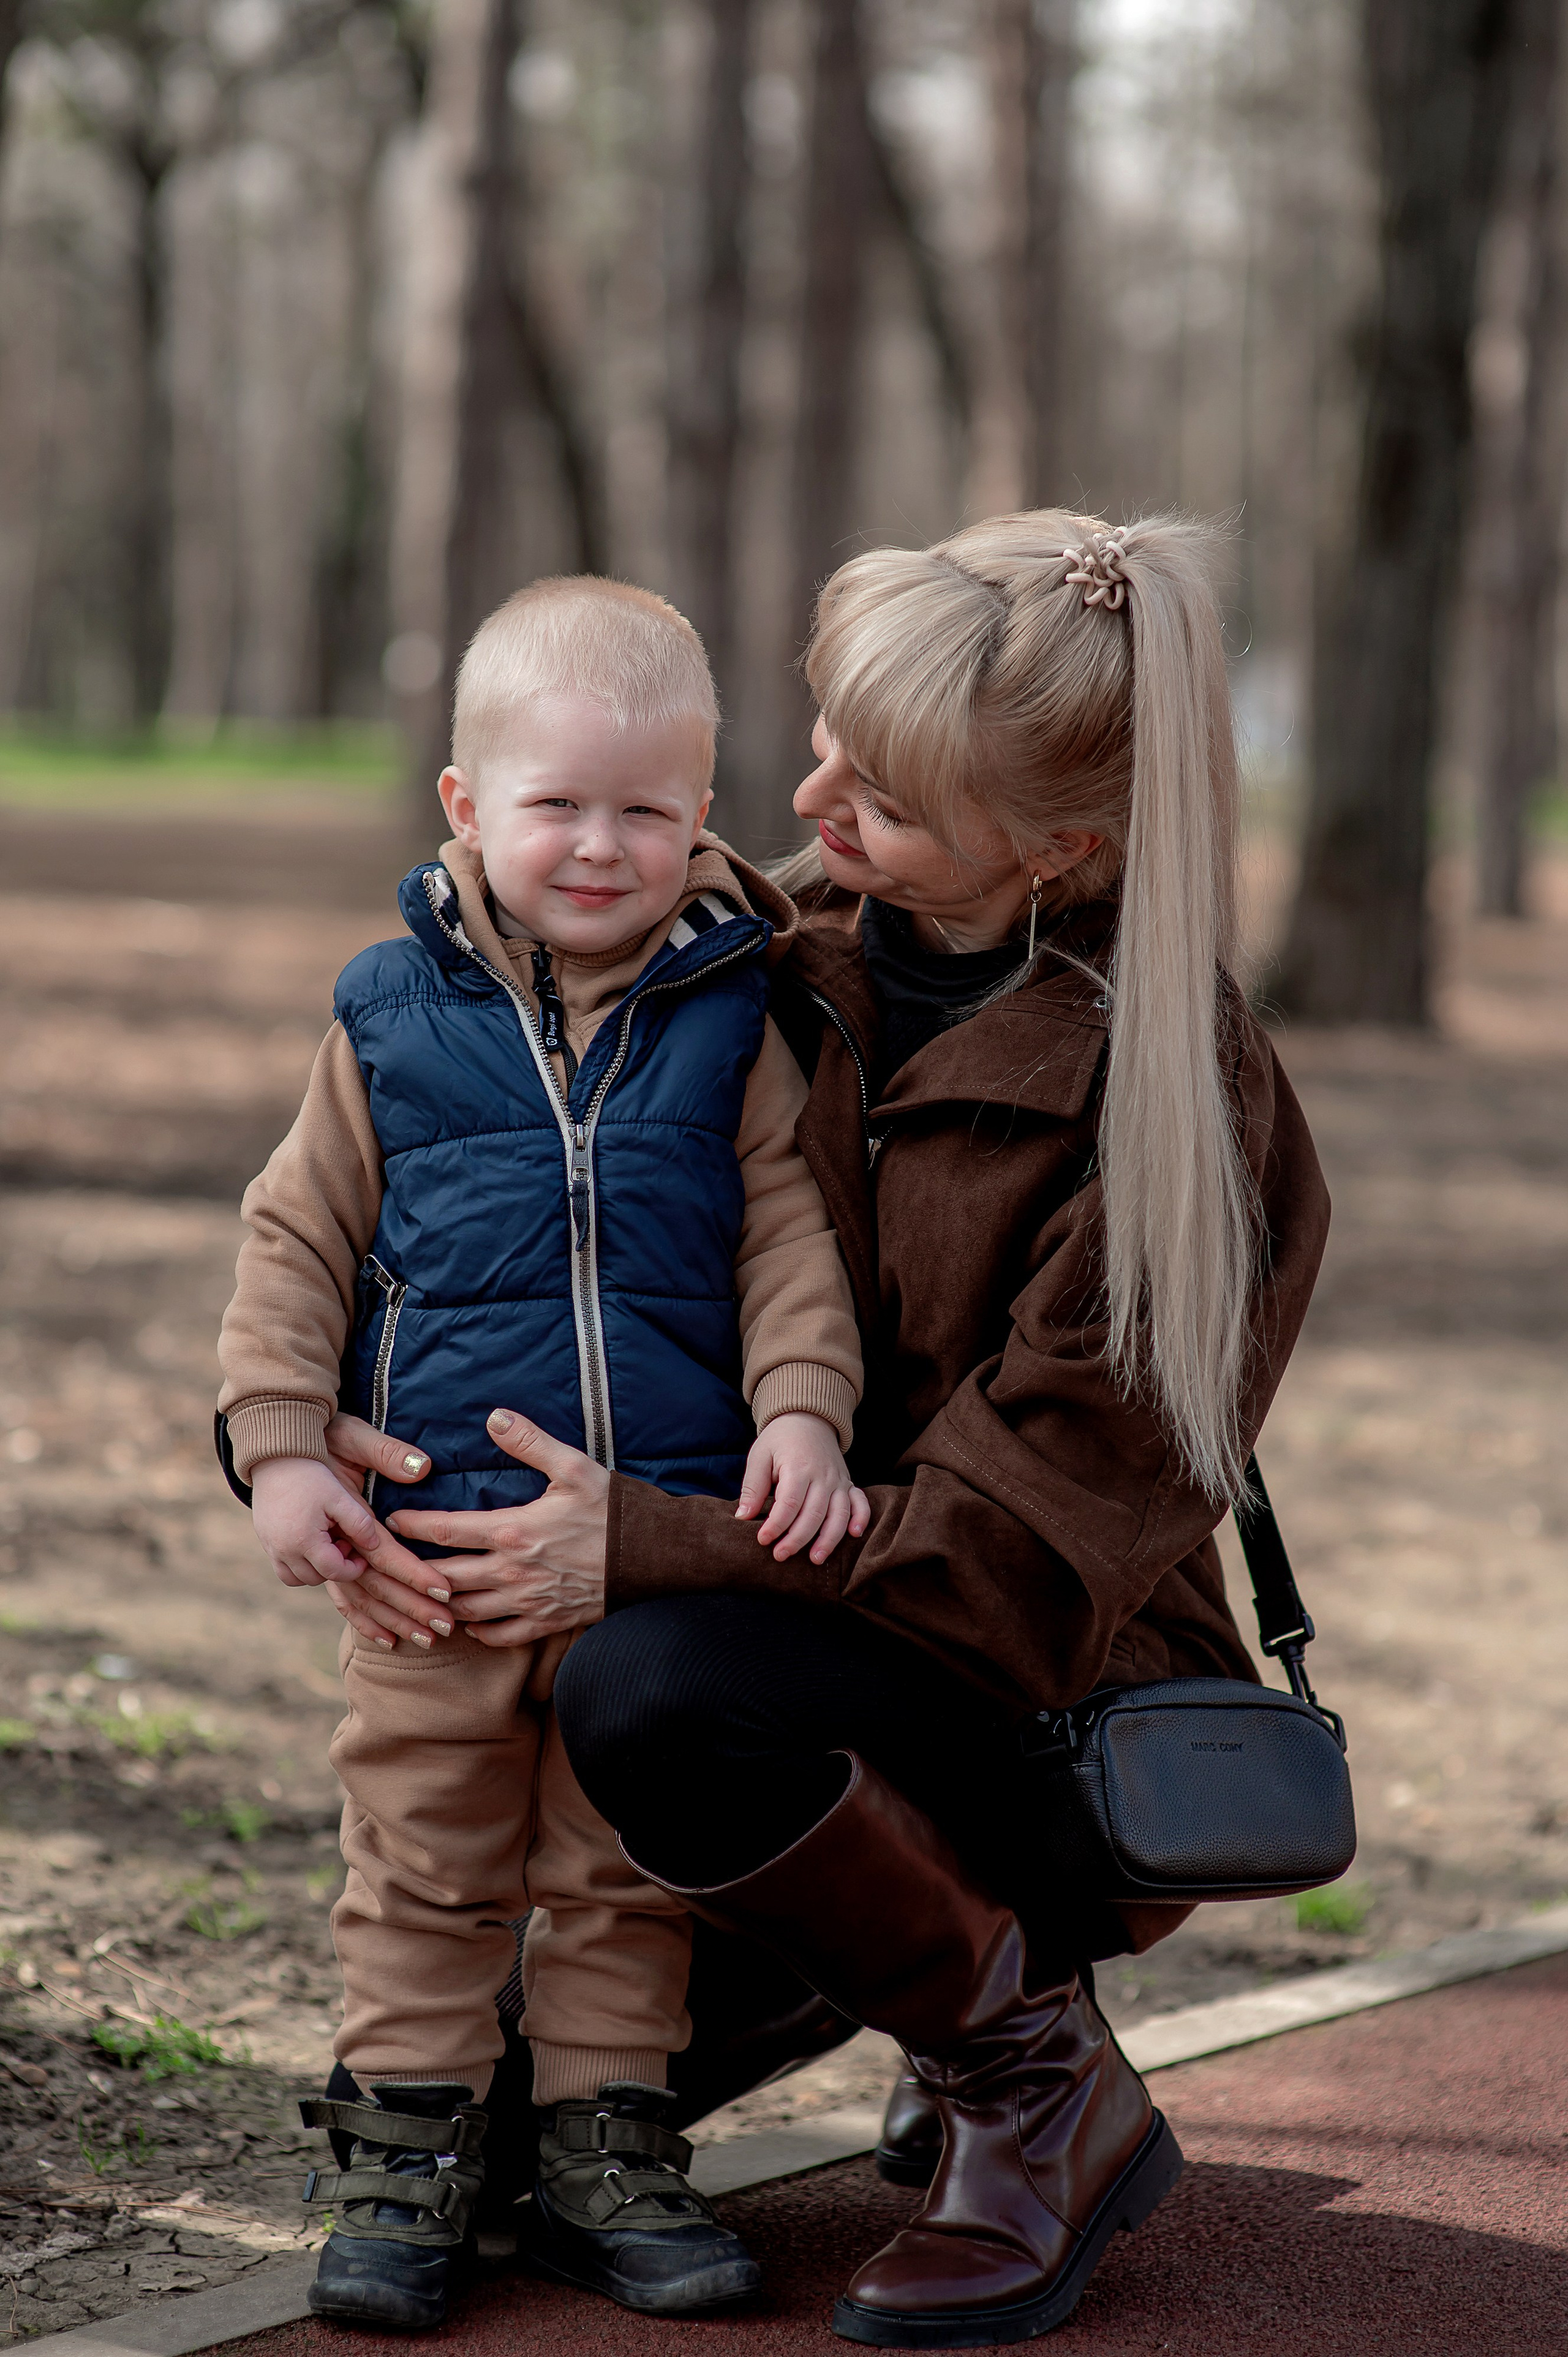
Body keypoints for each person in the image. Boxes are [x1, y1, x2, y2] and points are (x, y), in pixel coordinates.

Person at [322, 511, 1332, 2348]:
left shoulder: (1189, 1114)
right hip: (776, 1625)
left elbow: (1004, 1569)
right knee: (527, 2115)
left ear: (1062, 849)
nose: (812, 798)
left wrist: (645, 1542)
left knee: (651, 1691)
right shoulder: (765, 955)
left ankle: (1033, 2083)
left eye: (886, 794)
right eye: (827, 744)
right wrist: (322, 1433)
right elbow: (460, 1152)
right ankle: (893, 1981)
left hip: (1038, 1697)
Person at [214, 576, 867, 2328]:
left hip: (639, 1547)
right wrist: (280, 1449)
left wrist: (802, 1411)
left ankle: (604, 2147)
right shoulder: (384, 1017)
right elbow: (296, 1244)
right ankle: (406, 2152)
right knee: (423, 1856)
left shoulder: (737, 1018)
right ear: (465, 808)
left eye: (646, 810)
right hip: (424, 1556)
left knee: (614, 1873)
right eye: (555, 805)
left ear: (703, 813)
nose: (600, 846)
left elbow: (790, 1241)